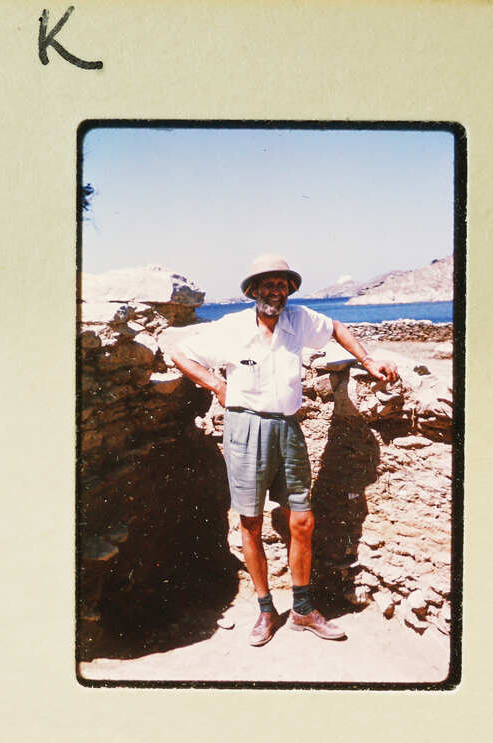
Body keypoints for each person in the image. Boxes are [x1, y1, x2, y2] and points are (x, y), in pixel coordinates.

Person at [170, 254, 397, 646]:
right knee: (251, 522)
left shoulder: (301, 319)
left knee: (302, 521)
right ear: (253, 290)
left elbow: (338, 327)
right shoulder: (231, 328)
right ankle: (264, 610)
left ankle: (303, 610)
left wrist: (368, 359)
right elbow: (180, 354)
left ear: (289, 290)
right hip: (244, 428)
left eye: (281, 284)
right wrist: (218, 386)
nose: (274, 291)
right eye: (266, 284)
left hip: (288, 428)